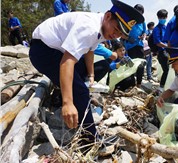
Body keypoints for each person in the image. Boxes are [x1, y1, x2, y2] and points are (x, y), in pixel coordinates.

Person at [29, 0, 144, 139]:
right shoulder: (89, 27)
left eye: (120, 33)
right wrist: (68, 103)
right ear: (108, 16)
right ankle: (90, 139)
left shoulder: (100, 26)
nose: (116, 35)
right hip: (43, 50)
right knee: (81, 91)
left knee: (85, 73)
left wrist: (90, 76)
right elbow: (67, 62)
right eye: (115, 29)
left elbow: (90, 52)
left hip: (55, 49)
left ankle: (62, 96)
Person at [124, 4, 146, 88]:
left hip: (139, 45)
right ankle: (132, 83)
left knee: (141, 64)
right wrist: (128, 38)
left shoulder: (142, 21)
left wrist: (143, 36)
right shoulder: (129, 20)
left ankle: (139, 83)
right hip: (130, 46)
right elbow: (122, 33)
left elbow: (144, 32)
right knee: (131, 65)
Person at [153, 9, 169, 93]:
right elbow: (157, 42)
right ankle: (161, 87)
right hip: (162, 52)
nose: (162, 18)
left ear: (166, 17)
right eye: (161, 17)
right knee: (166, 70)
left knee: (170, 70)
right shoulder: (156, 29)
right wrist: (167, 46)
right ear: (158, 18)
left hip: (168, 51)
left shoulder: (166, 28)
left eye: (164, 17)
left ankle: (167, 86)